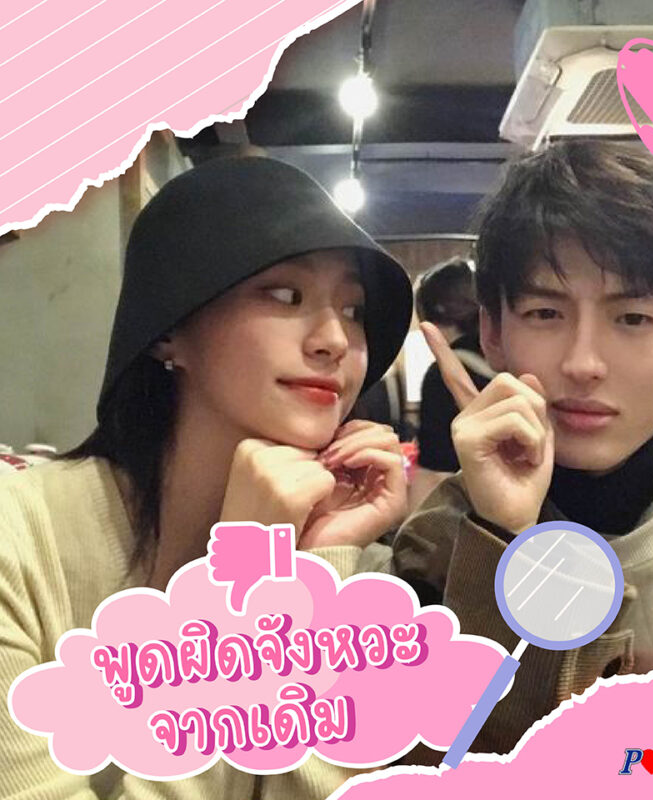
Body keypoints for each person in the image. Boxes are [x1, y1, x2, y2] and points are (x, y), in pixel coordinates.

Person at [0, 157, 413, 798]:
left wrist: (314, 576)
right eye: (285, 295)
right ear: (168, 330)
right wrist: (235, 592)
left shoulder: (349, 556)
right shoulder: (19, 538)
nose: (335, 339)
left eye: (354, 309)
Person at [393, 139, 653, 761]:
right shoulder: (439, 547)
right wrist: (506, 536)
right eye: (544, 313)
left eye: (633, 318)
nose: (583, 363)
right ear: (493, 333)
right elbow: (440, 768)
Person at [409, 258, 494, 510]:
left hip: (473, 515)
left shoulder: (442, 377)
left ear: (433, 313)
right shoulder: (511, 361)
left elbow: (434, 473)